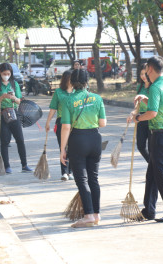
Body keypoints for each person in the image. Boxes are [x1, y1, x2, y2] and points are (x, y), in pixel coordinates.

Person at [129, 56, 163, 223]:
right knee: (152, 174)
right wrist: (145, 99)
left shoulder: (155, 87)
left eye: (146, 71)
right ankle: (149, 210)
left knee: (162, 174)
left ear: (150, 69)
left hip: (160, 134)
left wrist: (137, 118)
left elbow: (152, 113)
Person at [60, 69, 106, 228]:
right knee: (93, 178)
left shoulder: (68, 100)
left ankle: (88, 215)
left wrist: (62, 150)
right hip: (95, 139)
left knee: (82, 180)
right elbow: (103, 124)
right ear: (87, 81)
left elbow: (65, 127)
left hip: (78, 140)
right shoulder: (97, 98)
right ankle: (97, 214)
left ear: (71, 82)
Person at [0, 63, 32, 174]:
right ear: (0, 73)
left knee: (20, 140)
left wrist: (13, 98)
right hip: (2, 114)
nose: (7, 75)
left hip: (14, 112)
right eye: (4, 74)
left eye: (8, 74)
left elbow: (19, 100)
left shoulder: (14, 84)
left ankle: (24, 165)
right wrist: (2, 97)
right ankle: (7, 166)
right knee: (4, 141)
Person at [46, 70, 74, 181]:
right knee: (63, 147)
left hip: (74, 123)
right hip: (61, 122)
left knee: (73, 148)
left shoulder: (77, 92)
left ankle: (71, 171)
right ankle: (64, 172)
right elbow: (53, 108)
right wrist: (48, 121)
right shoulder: (58, 92)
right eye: (70, 79)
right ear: (65, 79)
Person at [128, 64, 150, 162]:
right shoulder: (139, 87)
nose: (143, 76)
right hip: (140, 118)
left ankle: (153, 168)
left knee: (152, 148)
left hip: (151, 117)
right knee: (140, 146)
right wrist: (133, 113)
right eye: (141, 74)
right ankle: (152, 164)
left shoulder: (154, 87)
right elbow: (137, 106)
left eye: (145, 73)